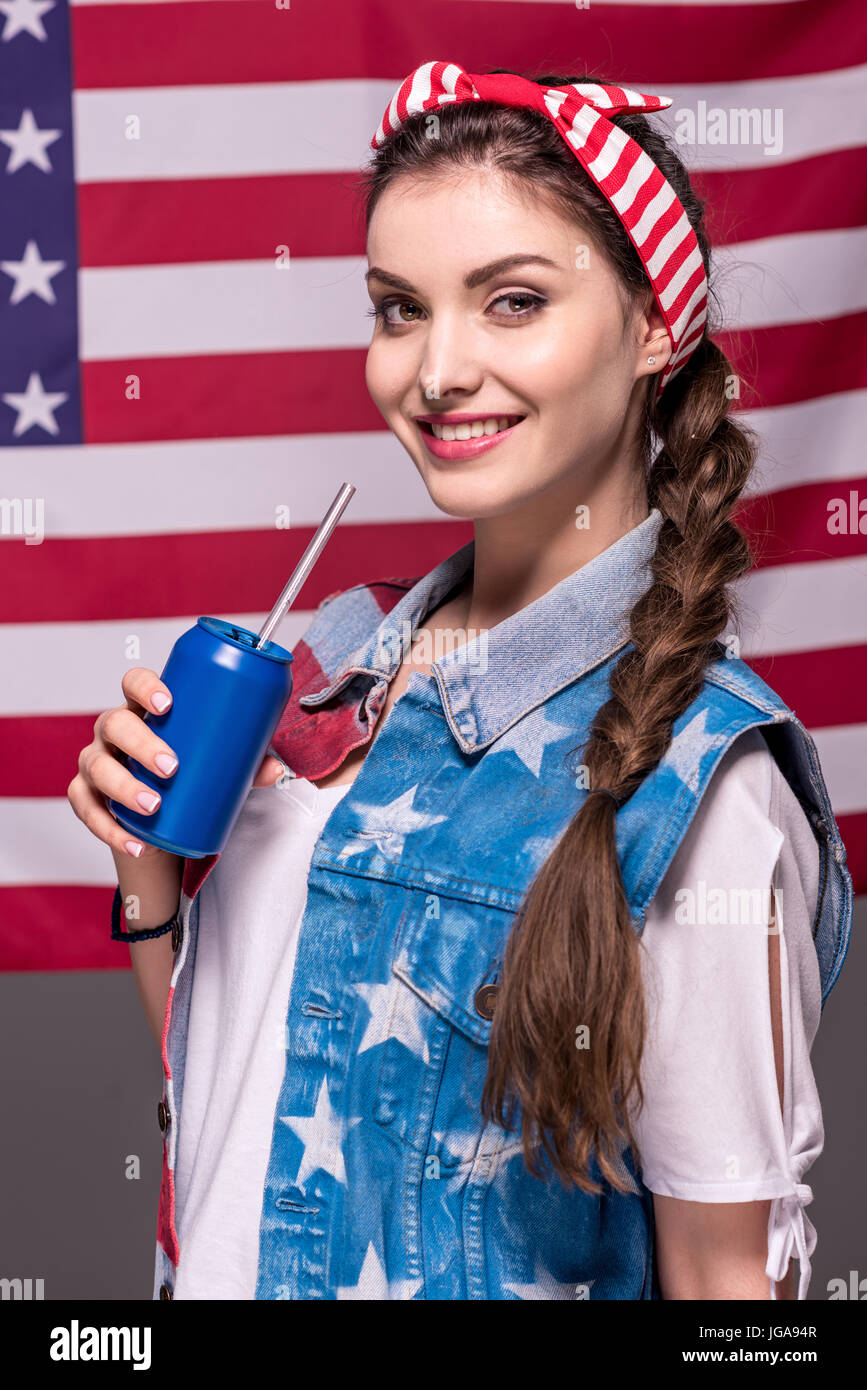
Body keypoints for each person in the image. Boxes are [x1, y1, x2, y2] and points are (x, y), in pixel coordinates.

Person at [68, 62, 852, 1301]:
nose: (436, 371)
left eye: (513, 302)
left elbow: (730, 1297)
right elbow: (236, 1108)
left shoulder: (703, 787)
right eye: (399, 308)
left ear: (656, 325)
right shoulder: (332, 662)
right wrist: (149, 877)